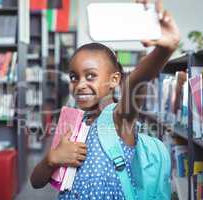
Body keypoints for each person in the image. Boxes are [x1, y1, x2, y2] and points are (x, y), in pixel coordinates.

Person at [30, 0, 180, 199]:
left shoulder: (119, 120)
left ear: (114, 79)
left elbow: (136, 84)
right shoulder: (73, 124)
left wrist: (164, 50)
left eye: (90, 75)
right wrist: (51, 159)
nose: (80, 84)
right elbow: (36, 182)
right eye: (74, 77)